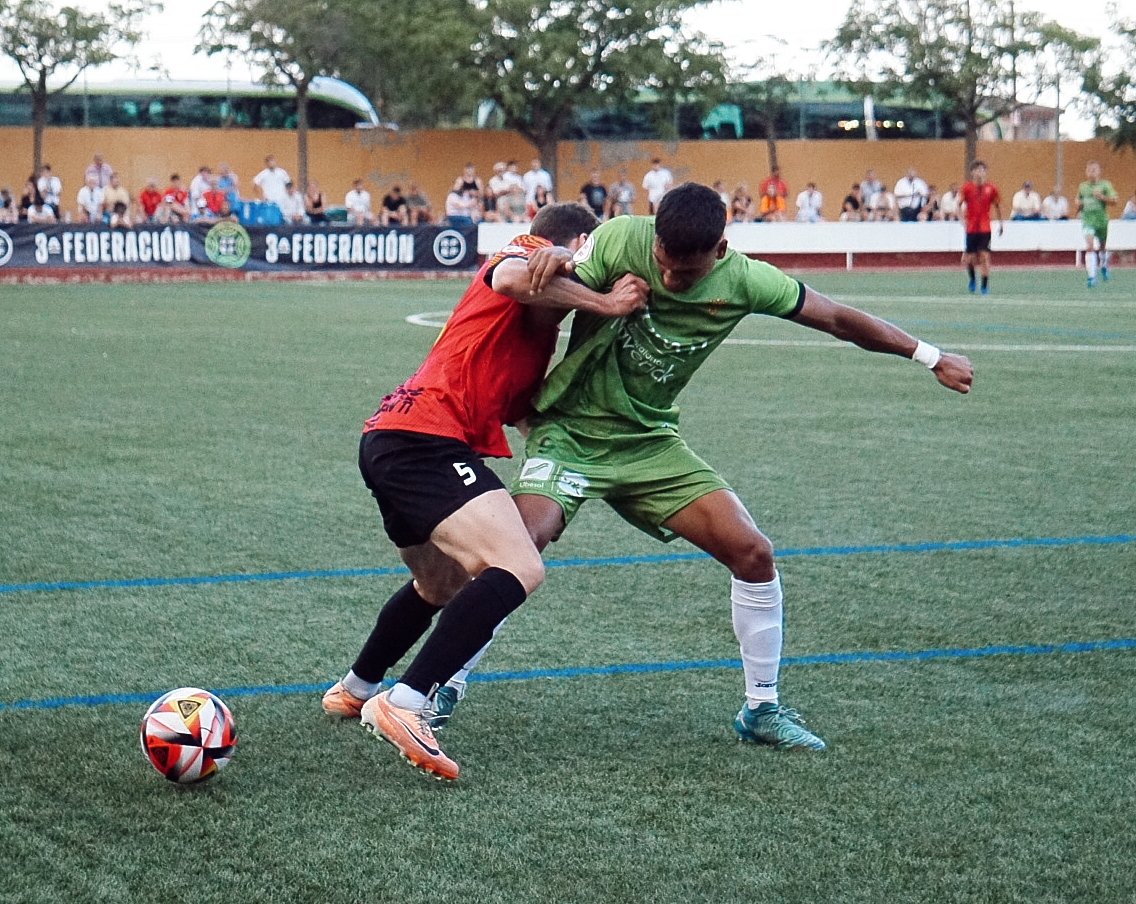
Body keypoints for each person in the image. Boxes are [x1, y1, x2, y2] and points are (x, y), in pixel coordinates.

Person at [389, 183, 974, 773]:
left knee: (752, 552)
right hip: (570, 433)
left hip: (650, 443)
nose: (668, 280)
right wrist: (560, 263)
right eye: (662, 264)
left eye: (684, 274)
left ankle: (762, 707)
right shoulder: (621, 238)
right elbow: (545, 289)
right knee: (514, 549)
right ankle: (442, 685)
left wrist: (928, 355)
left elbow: (838, 318)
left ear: (721, 247)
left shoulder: (749, 280)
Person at [321, 203, 649, 781]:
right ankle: (406, 703)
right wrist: (607, 302)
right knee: (519, 565)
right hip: (423, 439)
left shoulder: (532, 336)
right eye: (590, 255)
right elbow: (514, 275)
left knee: (439, 582)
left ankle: (354, 689)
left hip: (392, 438)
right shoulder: (523, 252)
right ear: (576, 241)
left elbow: (523, 413)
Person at [958, 160, 1004, 296]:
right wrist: (962, 219)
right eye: (978, 170)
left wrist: (1001, 223)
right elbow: (958, 204)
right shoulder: (967, 188)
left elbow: (998, 205)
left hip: (985, 228)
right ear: (972, 172)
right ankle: (972, 278)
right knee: (969, 259)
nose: (980, 172)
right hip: (971, 228)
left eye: (983, 170)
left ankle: (984, 286)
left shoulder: (991, 188)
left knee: (984, 256)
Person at [1077, 161, 1119, 288]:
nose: (1091, 173)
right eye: (1089, 170)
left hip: (1101, 220)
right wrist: (1078, 204)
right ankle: (1091, 277)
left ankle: (1104, 265)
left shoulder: (1105, 185)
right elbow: (1079, 199)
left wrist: (1102, 197)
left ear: (1099, 172)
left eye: (1094, 170)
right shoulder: (1083, 186)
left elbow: (1115, 200)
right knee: (1089, 246)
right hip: (1088, 220)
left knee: (1102, 246)